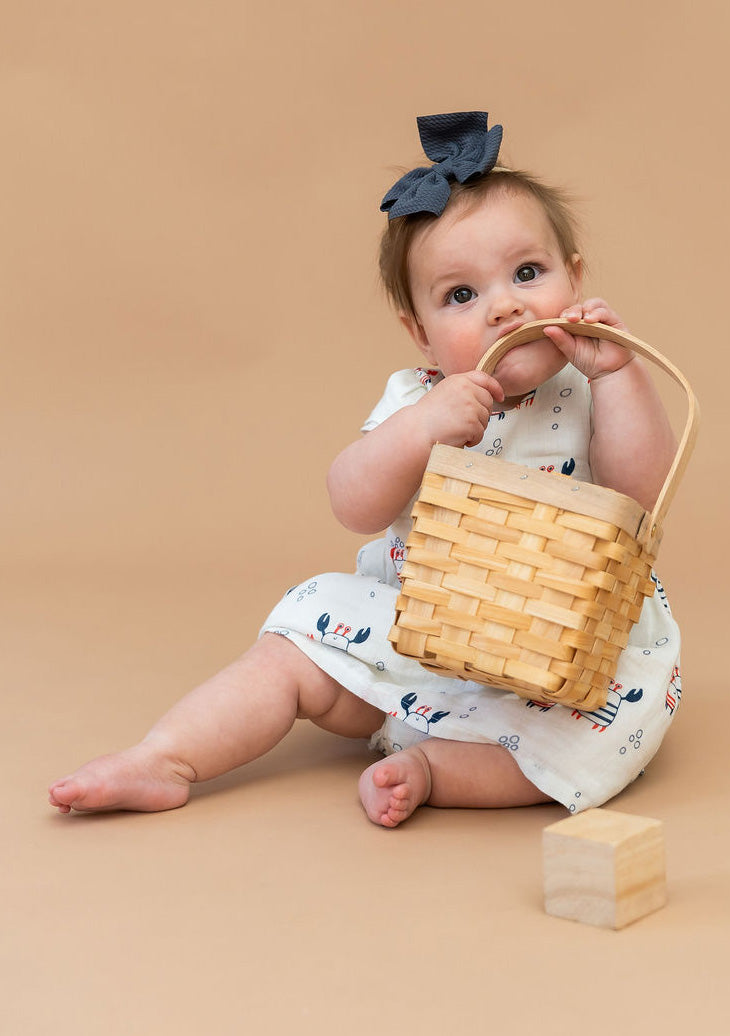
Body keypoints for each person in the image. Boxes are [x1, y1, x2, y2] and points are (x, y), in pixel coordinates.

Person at [49, 111, 681, 827]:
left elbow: (641, 496)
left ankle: (433, 768)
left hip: (558, 652)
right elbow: (352, 503)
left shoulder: (590, 387)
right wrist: (421, 430)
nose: (505, 307)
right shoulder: (418, 399)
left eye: (527, 274)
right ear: (420, 333)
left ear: (576, 279)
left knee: (611, 724)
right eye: (461, 296)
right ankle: (165, 757)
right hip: (418, 638)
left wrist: (618, 373)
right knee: (294, 642)